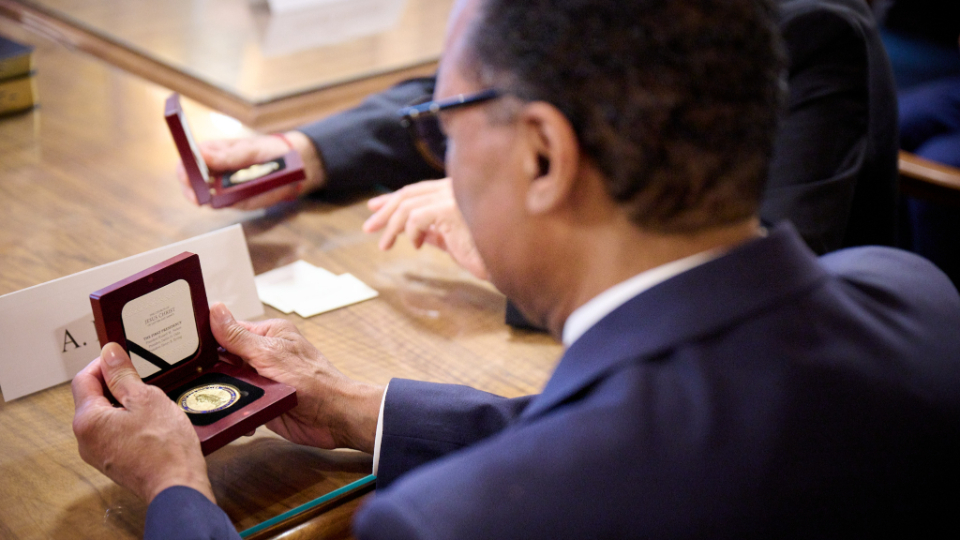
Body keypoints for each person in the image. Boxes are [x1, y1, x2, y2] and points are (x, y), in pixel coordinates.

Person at [75, 0, 960, 538]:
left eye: (447, 131)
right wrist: (350, 406)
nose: (447, 163)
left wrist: (176, 491)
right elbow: (637, 436)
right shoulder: (916, 295)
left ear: (544, 156)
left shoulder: (452, 523)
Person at [182, 0, 898, 262]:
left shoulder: (811, 29)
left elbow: (777, 263)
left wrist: (519, 237)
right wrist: (308, 151)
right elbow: (493, 75)